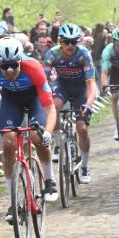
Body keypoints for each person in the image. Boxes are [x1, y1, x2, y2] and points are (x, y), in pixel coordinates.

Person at [0, 37, 58, 223]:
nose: (9, 70)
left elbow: (50, 108)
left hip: (34, 99)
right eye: (4, 66)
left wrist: (47, 131)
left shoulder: (33, 67)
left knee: (36, 136)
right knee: (8, 142)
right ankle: (13, 201)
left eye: (14, 65)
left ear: (20, 61)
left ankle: (49, 181)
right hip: (11, 100)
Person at [43, 23, 96, 183]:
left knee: (82, 129)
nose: (70, 45)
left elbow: (91, 84)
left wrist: (89, 102)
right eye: (67, 41)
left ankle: (85, 166)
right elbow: (44, 81)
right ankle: (58, 140)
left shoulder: (84, 54)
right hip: (63, 86)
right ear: (60, 41)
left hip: (81, 89)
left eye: (74, 41)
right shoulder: (52, 54)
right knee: (55, 105)